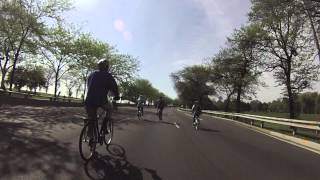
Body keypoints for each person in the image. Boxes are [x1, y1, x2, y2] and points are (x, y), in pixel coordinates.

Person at [85, 58, 120, 139]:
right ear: (107, 67)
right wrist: (117, 96)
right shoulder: (108, 75)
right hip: (101, 100)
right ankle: (104, 127)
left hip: (89, 100)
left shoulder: (91, 75)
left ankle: (90, 136)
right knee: (110, 108)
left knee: (92, 118)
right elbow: (114, 87)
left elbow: (89, 86)